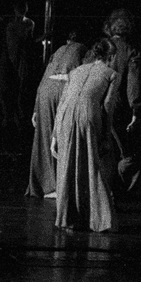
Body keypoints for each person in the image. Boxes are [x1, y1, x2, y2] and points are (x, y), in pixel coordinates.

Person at [51, 38, 123, 232]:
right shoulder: (112, 74)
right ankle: (101, 220)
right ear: (112, 56)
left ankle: (69, 218)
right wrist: (106, 135)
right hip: (88, 113)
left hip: (66, 114)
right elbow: (107, 106)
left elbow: (63, 101)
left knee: (67, 166)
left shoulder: (76, 71)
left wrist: (55, 136)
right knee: (92, 164)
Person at [26, 27, 87, 198]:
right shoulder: (82, 49)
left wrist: (35, 109)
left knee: (44, 138)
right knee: (62, 136)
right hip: (62, 90)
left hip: (44, 92)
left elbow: (46, 75)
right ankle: (59, 185)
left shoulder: (59, 49)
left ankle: (44, 185)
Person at [102, 8, 141, 191]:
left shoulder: (101, 46)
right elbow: (133, 85)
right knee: (125, 154)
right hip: (118, 106)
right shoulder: (131, 51)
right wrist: (135, 110)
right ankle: (117, 191)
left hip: (98, 103)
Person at [0, 2, 37, 133]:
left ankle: (15, 116)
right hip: (11, 58)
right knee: (9, 87)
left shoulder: (27, 23)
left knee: (19, 88)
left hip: (19, 58)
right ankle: (10, 116)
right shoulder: (12, 24)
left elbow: (28, 40)